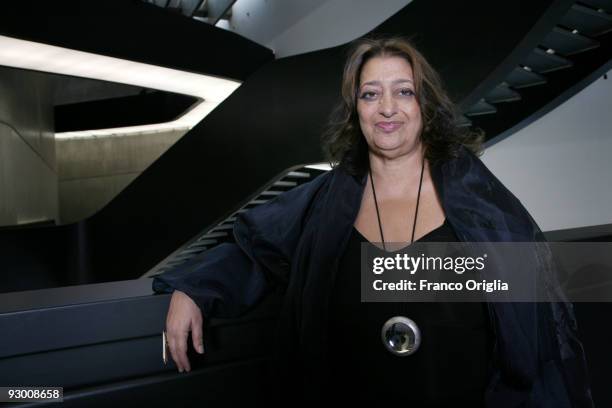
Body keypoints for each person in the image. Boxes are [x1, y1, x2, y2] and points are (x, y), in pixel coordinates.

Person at [153, 36, 593, 407]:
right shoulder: (328, 202)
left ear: (425, 105)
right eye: (370, 94)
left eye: (404, 91)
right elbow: (254, 246)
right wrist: (195, 289)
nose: (387, 108)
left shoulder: (477, 200)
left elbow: (536, 317)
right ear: (355, 110)